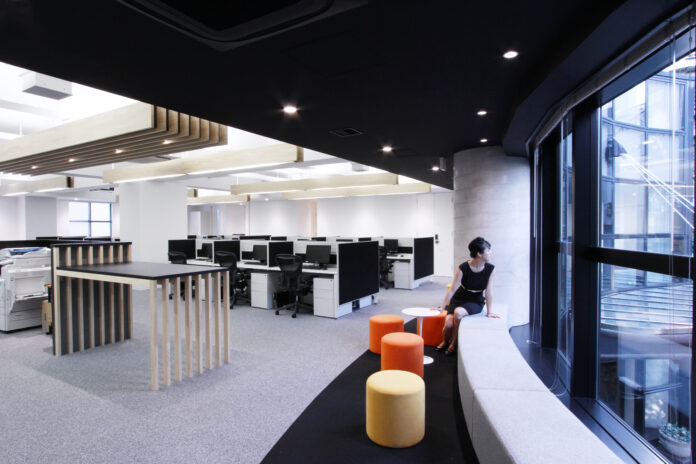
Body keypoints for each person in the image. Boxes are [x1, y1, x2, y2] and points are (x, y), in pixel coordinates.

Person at [435, 237, 499, 356]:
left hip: (476, 300)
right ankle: (445, 341)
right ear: (479, 254)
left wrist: (490, 312)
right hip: (460, 297)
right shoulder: (463, 267)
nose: (490, 253)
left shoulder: (490, 269)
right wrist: (442, 307)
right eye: (488, 250)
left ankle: (454, 343)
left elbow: (489, 291)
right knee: (448, 324)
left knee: (458, 313)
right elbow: (453, 288)